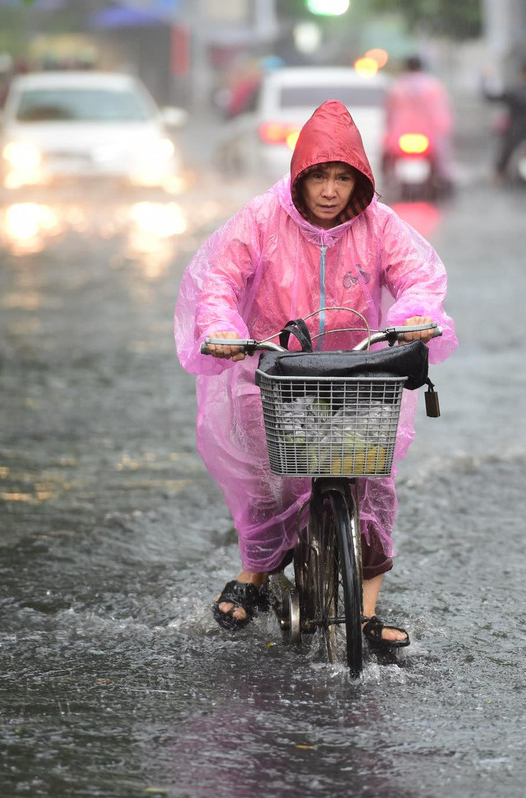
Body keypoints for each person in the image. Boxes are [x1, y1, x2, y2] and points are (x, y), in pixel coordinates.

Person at [174, 100, 458, 647]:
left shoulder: (380, 226)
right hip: (276, 372)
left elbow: (419, 278)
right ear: (299, 177)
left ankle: (367, 613)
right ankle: (255, 573)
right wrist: (222, 328)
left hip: (358, 372)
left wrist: (413, 317)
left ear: (360, 182)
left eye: (343, 178)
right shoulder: (259, 219)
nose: (330, 190)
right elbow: (219, 283)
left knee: (373, 483)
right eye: (320, 177)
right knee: (268, 480)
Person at [383, 54, 455, 187]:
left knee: (387, 159)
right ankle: (444, 179)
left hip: (400, 134)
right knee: (442, 160)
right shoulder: (433, 86)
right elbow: (442, 115)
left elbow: (389, 114)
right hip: (429, 135)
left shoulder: (397, 87)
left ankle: (386, 177)